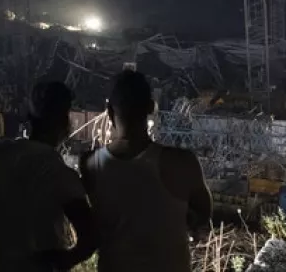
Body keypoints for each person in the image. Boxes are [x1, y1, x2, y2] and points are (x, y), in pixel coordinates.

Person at [80, 70, 212, 272]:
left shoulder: (90, 164)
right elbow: (202, 219)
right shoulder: (182, 162)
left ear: (109, 110)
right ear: (151, 107)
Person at [0, 81, 97, 272]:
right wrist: (63, 260)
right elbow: (90, 235)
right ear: (65, 122)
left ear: (31, 118)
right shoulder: (57, 171)